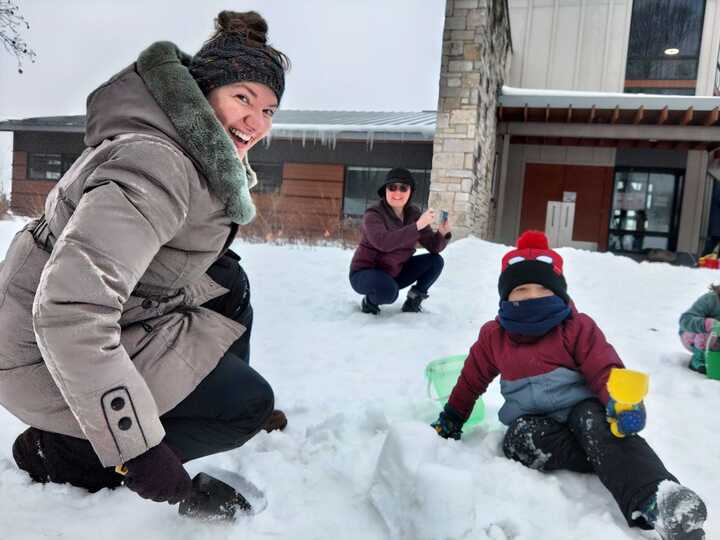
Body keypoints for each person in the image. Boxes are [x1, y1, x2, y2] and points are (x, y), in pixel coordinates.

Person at [0, 11, 289, 505]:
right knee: (246, 405)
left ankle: (197, 401)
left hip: (115, 308)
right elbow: (72, 311)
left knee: (228, 281)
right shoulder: (156, 162)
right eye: (243, 98)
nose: (256, 122)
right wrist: (138, 450)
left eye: (269, 110)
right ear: (202, 94)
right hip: (37, 352)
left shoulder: (185, 151)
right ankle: (67, 451)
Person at [431, 231, 707, 539]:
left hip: (580, 407)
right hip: (534, 421)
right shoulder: (494, 337)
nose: (532, 295)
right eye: (521, 289)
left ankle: (660, 501)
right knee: (518, 440)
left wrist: (621, 402)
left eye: (542, 288)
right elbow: (472, 378)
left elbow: (604, 368)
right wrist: (452, 417)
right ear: (505, 296)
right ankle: (603, 454)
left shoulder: (576, 327)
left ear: (559, 293)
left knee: (596, 423)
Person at [349, 168, 451, 314]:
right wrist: (417, 226)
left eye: (403, 188)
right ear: (385, 190)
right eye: (392, 187)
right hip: (366, 273)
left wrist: (442, 233)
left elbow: (434, 247)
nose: (397, 193)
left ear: (410, 192)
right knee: (389, 292)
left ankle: (413, 299)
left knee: (435, 261)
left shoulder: (413, 214)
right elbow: (383, 242)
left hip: (395, 272)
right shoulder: (373, 214)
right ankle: (369, 302)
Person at [678, 285, 720, 374]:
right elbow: (685, 320)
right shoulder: (710, 300)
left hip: (716, 345)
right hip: (693, 337)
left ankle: (713, 359)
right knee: (712, 325)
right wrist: (707, 324)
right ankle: (698, 361)